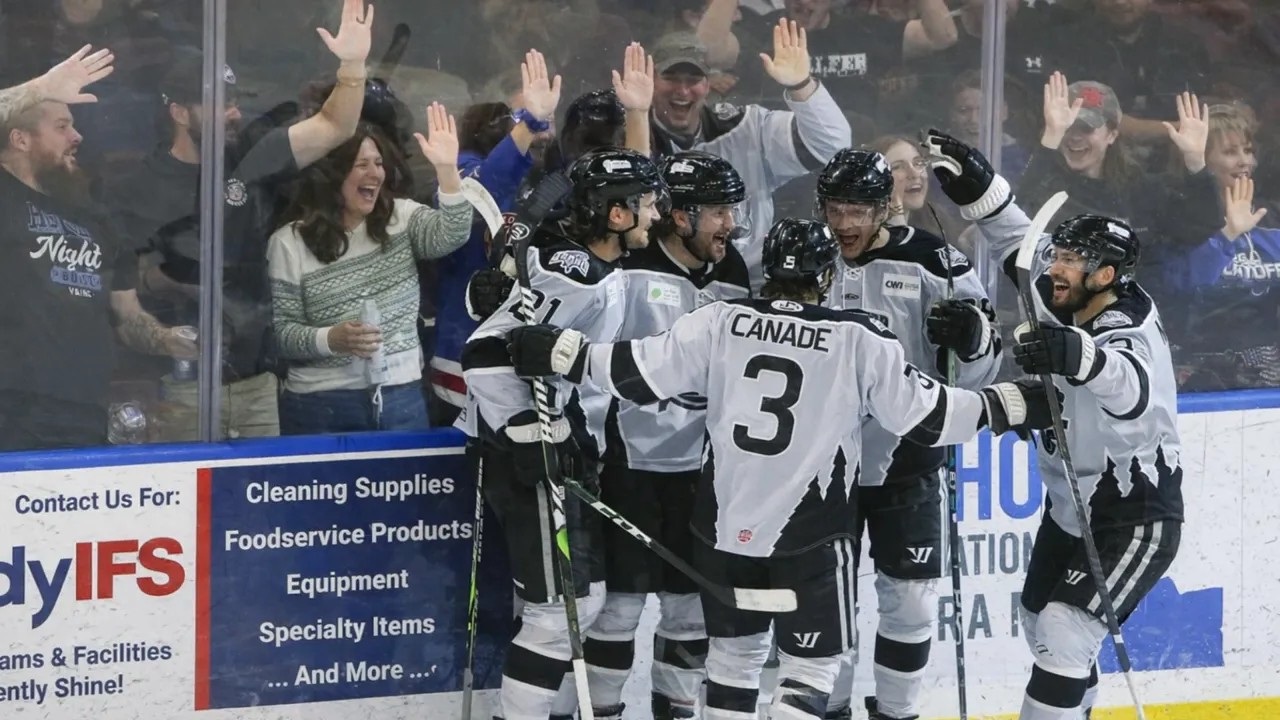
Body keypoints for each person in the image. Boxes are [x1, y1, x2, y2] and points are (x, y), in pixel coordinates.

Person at [503, 217, 1053, 720]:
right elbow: (931, 417)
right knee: (809, 674)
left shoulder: (718, 321)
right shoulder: (858, 338)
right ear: (828, 273)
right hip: (811, 538)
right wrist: (1012, 403)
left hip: (721, 535)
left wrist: (557, 350)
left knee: (732, 667)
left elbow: (632, 373)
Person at [924, 129, 1184, 720]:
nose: (1057, 267)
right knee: (1042, 623)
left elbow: (1132, 393)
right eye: (1061, 255)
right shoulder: (1063, 293)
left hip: (1134, 514)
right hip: (1070, 512)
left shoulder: (1129, 326)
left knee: (1067, 629)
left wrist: (1077, 356)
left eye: (1072, 260)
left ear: (1107, 275)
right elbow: (1021, 242)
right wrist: (980, 190)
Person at [456, 147, 665, 720]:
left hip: (561, 448)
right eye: (646, 204)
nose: (656, 214)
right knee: (558, 613)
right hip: (525, 456)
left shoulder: (592, 269)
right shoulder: (576, 276)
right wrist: (530, 433)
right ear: (616, 216)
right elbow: (482, 357)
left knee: (582, 603)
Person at [813, 148, 1002, 720]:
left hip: (910, 462)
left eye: (858, 209)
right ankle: (832, 710)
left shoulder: (935, 259)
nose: (845, 223)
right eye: (835, 208)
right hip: (822, 467)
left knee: (912, 604)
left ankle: (897, 713)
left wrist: (969, 339)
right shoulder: (804, 255)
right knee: (827, 606)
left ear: (886, 206)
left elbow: (982, 367)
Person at [584, 150, 752, 720]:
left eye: (733, 209)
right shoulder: (627, 271)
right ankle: (602, 710)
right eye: (719, 212)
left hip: (701, 478)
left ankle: (675, 712)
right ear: (681, 217)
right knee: (618, 611)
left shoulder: (733, 274)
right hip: (629, 471)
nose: (730, 223)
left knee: (690, 612)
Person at [0, 45, 202, 450]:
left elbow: (126, 315)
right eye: (61, 126)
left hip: (85, 409)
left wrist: (166, 339)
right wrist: (40, 87)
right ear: (20, 139)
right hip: (12, 410)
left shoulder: (95, 217)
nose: (77, 136)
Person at [267, 107, 476, 435]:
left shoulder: (402, 218)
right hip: (319, 405)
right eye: (361, 164)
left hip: (401, 398)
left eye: (378, 164)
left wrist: (448, 170)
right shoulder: (288, 243)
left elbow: (453, 232)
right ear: (333, 175)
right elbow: (280, 335)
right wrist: (330, 339)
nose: (374, 174)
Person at [646, 22, 852, 291]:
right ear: (649, 79)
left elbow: (834, 147)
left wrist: (801, 85)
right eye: (671, 78)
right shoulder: (630, 133)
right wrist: (635, 114)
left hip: (750, 289)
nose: (683, 91)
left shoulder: (748, 129)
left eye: (693, 80)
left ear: (708, 85)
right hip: (660, 284)